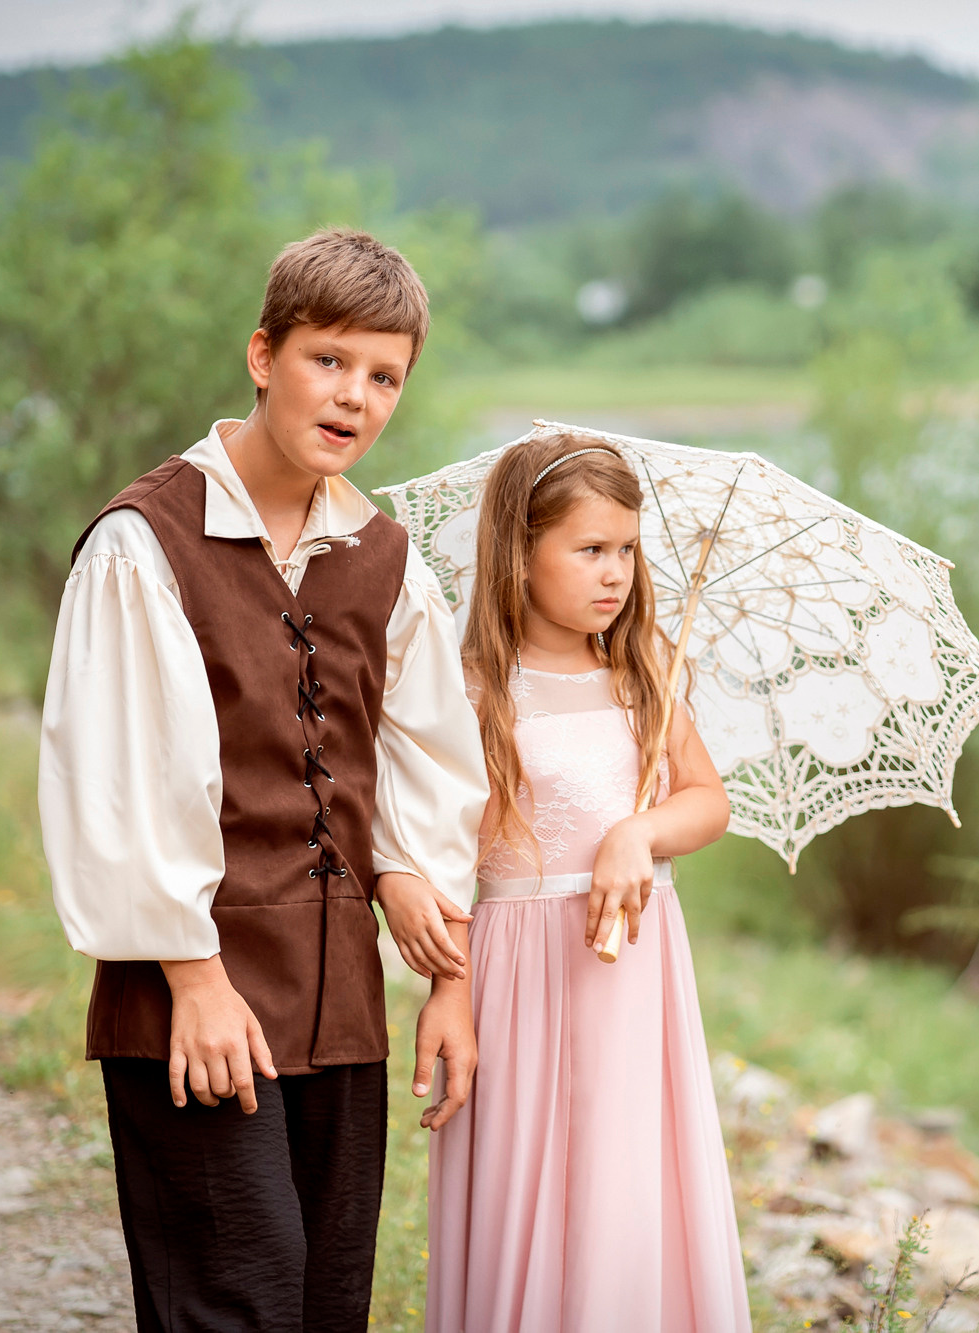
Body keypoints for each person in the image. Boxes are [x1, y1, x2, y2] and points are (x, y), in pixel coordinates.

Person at [37, 228, 488, 1332]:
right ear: (261, 354)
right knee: (235, 1304)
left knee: (325, 1306)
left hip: (340, 1007)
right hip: (196, 989)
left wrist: (441, 958)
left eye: (384, 377)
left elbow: (428, 764)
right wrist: (192, 978)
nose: (353, 399)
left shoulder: (384, 560)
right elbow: (120, 786)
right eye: (327, 361)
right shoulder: (147, 545)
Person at [405, 434, 752, 1333]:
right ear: (521, 553)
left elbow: (707, 801)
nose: (617, 574)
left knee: (625, 1175)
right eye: (591, 549)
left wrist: (639, 830)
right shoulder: (478, 687)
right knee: (536, 1178)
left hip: (634, 975)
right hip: (521, 973)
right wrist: (448, 985)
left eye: (628, 550)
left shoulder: (644, 671)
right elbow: (447, 858)